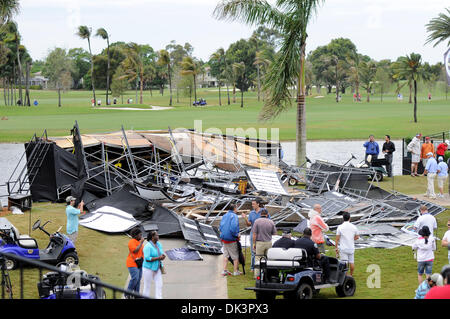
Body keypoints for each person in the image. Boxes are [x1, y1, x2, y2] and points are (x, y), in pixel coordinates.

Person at [242, 198, 270, 272]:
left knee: (262, 251)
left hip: (262, 234)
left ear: (258, 204)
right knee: (253, 251)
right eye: (252, 204)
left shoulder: (264, 212)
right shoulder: (251, 213)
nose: (252, 205)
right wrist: (245, 218)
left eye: (253, 204)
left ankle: (263, 267)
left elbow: (269, 222)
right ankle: (253, 267)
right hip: (253, 233)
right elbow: (249, 224)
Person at [252, 209, 277, 278]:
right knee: (268, 259)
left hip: (259, 243)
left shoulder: (257, 221)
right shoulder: (271, 222)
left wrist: (254, 243)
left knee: (258, 259)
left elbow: (254, 234)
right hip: (268, 242)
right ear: (267, 215)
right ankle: (268, 275)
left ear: (260, 214)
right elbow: (275, 233)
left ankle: (257, 275)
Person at [219, 204, 243, 276]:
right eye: (237, 208)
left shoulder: (224, 215)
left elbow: (220, 226)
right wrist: (236, 235)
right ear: (235, 208)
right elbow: (233, 227)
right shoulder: (234, 216)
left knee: (226, 255)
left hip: (224, 238)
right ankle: (236, 271)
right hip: (231, 238)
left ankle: (224, 270)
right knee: (235, 256)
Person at [335, 212, 359, 277]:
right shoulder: (354, 227)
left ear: (343, 218)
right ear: (349, 218)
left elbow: (337, 239)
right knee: (351, 262)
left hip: (343, 248)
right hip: (351, 247)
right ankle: (351, 275)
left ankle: (345, 276)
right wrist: (351, 239)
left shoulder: (340, 227)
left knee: (344, 263)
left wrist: (336, 247)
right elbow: (357, 237)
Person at [142, 230, 165, 299]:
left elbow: (161, 253)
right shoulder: (147, 246)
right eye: (156, 235)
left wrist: (162, 256)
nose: (158, 236)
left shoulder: (159, 244)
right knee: (147, 286)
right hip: (148, 269)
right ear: (152, 237)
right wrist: (158, 258)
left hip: (157, 268)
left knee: (159, 285)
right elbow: (147, 259)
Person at [125, 228, 145, 298]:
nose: (141, 236)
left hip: (139, 263)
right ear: (135, 235)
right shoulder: (131, 242)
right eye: (140, 235)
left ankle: (136, 295)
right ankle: (127, 294)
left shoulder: (139, 242)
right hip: (132, 263)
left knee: (138, 279)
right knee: (135, 278)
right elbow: (135, 251)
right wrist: (141, 243)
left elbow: (142, 252)